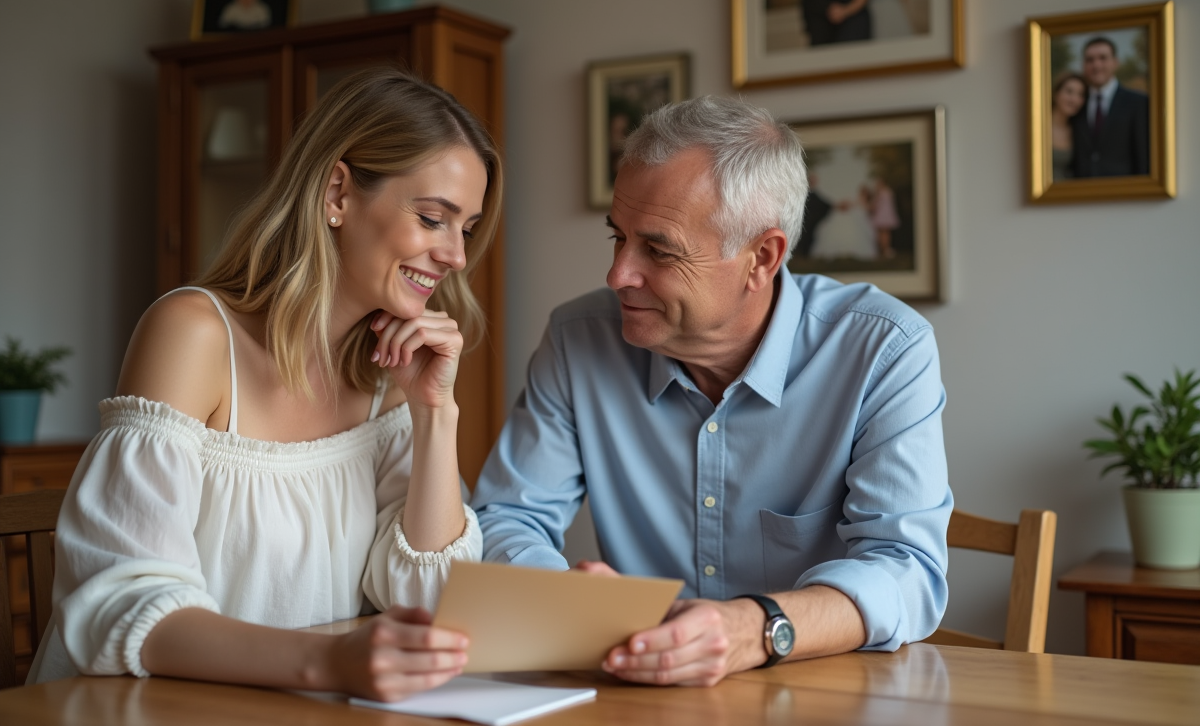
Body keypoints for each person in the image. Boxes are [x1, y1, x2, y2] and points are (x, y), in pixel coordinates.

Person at [29, 68, 504, 702]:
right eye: (432, 218)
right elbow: (123, 605)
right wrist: (331, 662)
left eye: (465, 229)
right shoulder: (194, 335)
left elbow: (429, 602)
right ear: (337, 193)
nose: (456, 256)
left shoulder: (388, 376)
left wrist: (435, 412)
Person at [472, 96, 951, 688]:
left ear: (762, 258)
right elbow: (507, 517)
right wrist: (568, 599)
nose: (618, 274)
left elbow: (907, 571)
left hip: (820, 693)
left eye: (658, 249)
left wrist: (752, 629)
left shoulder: (883, 349)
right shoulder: (578, 339)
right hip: (639, 693)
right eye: (618, 238)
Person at [1070, 36, 1150, 177]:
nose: (1096, 65)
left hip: (1124, 187)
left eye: (1103, 58)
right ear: (1083, 65)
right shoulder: (1075, 103)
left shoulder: (1138, 102)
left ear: (1115, 62)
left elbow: (1143, 155)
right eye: (1090, 60)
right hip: (1081, 187)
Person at [1050, 72, 1086, 181]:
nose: (1074, 99)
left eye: (1080, 95)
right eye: (1069, 92)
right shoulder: (1036, 127)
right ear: (1056, 93)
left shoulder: (1079, 132)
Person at [865, 176, 900, 259]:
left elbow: (874, 205)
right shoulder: (888, 192)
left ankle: (884, 250)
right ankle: (884, 250)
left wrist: (868, 207)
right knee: (884, 234)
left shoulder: (881, 193)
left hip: (882, 216)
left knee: (883, 234)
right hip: (885, 215)